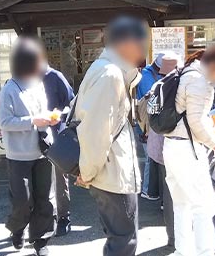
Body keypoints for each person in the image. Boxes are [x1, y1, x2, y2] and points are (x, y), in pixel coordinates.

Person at [75, 16, 146, 256]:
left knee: (119, 239)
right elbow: (95, 130)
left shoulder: (109, 71)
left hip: (110, 171)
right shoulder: (110, 75)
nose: (143, 49)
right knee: (123, 242)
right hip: (112, 173)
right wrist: (87, 172)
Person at [164, 46, 215, 256]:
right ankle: (204, 252)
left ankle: (182, 252)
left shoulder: (185, 72)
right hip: (187, 149)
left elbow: (190, 115)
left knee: (182, 204)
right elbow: (195, 121)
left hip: (172, 145)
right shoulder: (198, 80)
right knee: (204, 206)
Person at [0, 37, 56, 256]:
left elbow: (43, 113)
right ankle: (17, 228)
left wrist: (50, 119)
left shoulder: (38, 84)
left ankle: (41, 240)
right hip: (18, 155)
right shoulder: (9, 89)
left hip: (42, 152)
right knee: (22, 201)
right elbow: (3, 122)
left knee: (44, 199)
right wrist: (32, 121)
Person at [135, 51, 181, 200]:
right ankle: (148, 190)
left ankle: (154, 192)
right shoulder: (149, 79)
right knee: (152, 159)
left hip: (153, 126)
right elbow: (152, 105)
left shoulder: (153, 78)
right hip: (148, 126)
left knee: (155, 158)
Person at [42, 62, 75, 236]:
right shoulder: (24, 79)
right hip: (36, 137)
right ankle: (46, 218)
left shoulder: (54, 76)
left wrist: (59, 115)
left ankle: (64, 217)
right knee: (41, 181)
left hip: (56, 136)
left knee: (60, 178)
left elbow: (72, 102)